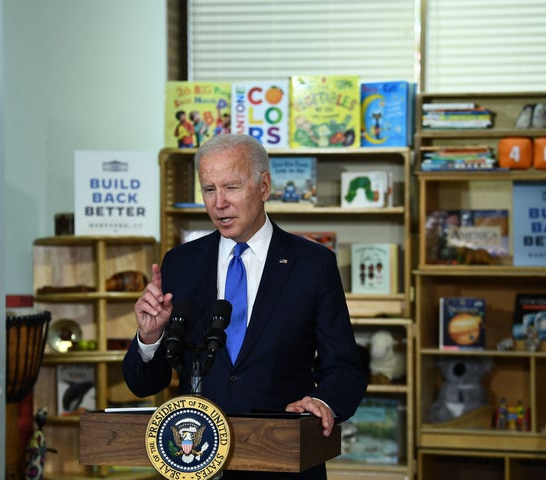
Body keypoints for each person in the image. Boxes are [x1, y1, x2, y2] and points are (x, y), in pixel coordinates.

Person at [123, 134, 367, 479]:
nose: (219, 203)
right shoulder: (180, 263)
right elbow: (144, 383)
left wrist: (322, 403)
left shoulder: (313, 265)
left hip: (283, 461)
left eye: (231, 187)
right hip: (198, 463)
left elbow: (345, 369)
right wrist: (149, 339)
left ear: (264, 186)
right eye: (209, 189)